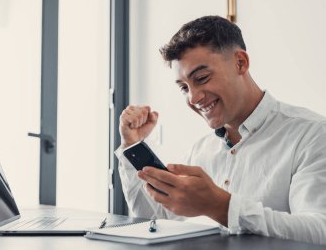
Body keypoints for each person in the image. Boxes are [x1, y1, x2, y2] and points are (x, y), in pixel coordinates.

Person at [115, 15, 326, 245]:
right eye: (184, 87)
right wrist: (132, 146)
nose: (193, 98)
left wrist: (221, 206)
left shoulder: (312, 135)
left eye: (202, 78)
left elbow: (319, 232)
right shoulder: (201, 149)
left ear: (240, 63)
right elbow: (155, 219)